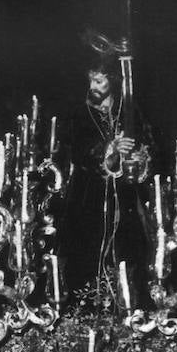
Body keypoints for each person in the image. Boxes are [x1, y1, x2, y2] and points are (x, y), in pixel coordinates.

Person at [62, 60, 155, 301]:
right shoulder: (80, 113)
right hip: (89, 200)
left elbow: (149, 146)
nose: (92, 86)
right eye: (91, 80)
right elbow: (77, 151)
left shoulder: (130, 110)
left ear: (113, 81)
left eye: (99, 81)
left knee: (130, 258)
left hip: (126, 201)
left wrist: (137, 155)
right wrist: (109, 149)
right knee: (87, 259)